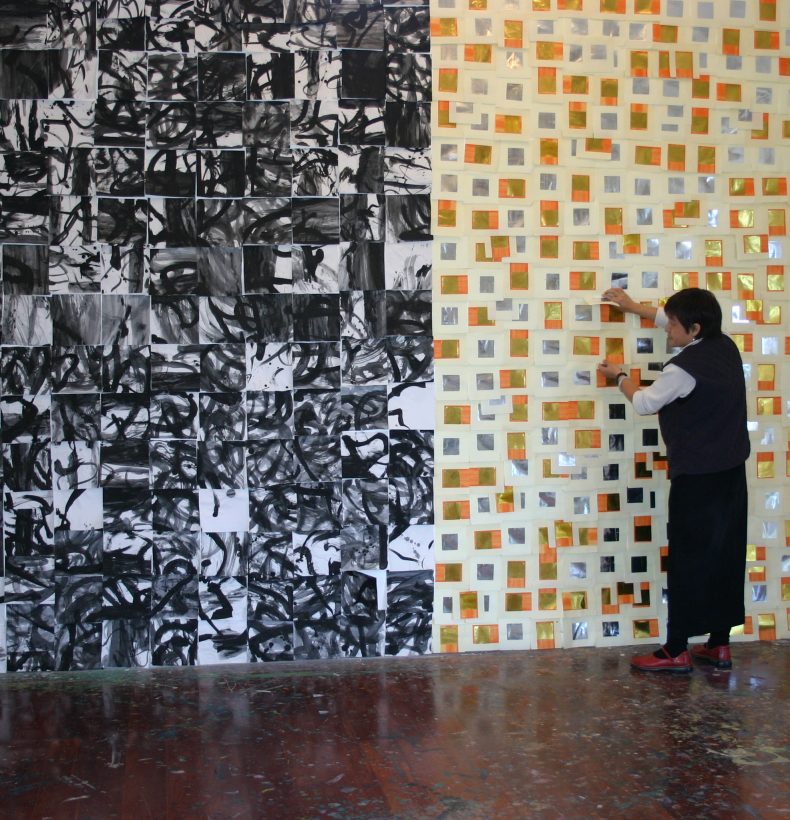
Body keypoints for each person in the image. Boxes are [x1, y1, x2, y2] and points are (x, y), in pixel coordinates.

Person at [596, 287, 750, 673]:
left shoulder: (682, 369)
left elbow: (646, 403)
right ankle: (718, 645)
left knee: (687, 560)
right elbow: (670, 319)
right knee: (724, 557)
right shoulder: (724, 347)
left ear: (694, 328)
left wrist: (621, 377)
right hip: (732, 474)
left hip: (697, 480)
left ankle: (676, 649)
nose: (667, 330)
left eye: (674, 326)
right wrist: (634, 308)